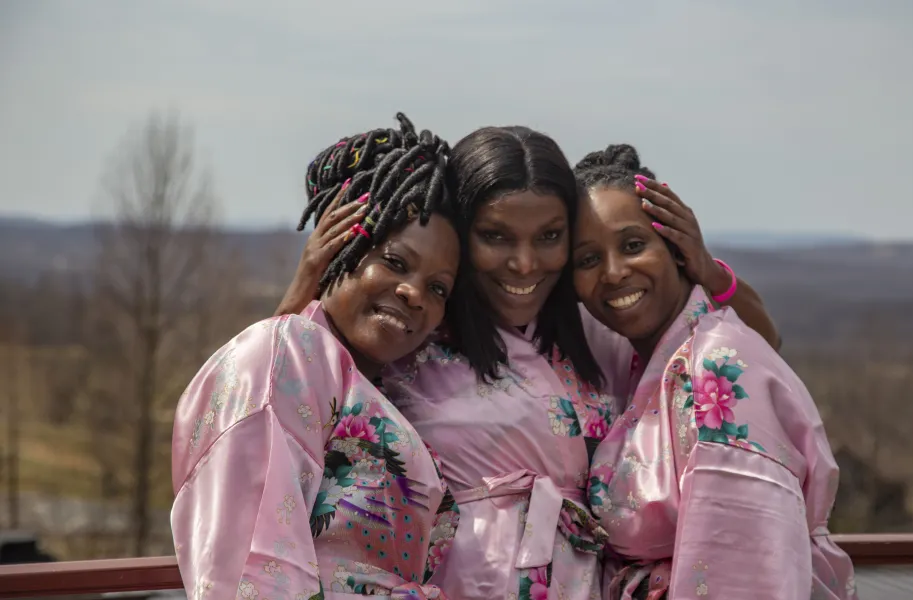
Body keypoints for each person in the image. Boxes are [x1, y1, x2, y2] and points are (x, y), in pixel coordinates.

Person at [275, 125, 781, 599]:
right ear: (462, 235)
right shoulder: (415, 333)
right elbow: (281, 388)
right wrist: (307, 283)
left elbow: (747, 354)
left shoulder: (598, 340)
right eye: (496, 236)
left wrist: (706, 270)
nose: (524, 263)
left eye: (549, 236)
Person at [170, 113, 463, 599]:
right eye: (393, 261)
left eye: (438, 287)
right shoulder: (283, 357)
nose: (414, 293)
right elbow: (253, 567)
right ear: (336, 248)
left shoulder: (382, 389)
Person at [572, 145, 857, 599]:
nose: (612, 272)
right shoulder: (630, 355)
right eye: (587, 260)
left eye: (633, 245)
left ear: (676, 246)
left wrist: (711, 269)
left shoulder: (718, 371)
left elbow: (741, 576)